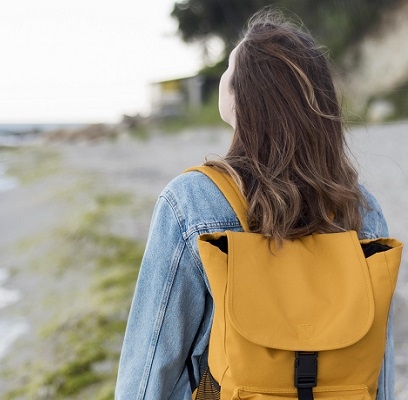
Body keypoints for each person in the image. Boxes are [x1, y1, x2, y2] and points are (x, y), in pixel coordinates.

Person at [115, 8, 394, 400]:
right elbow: (377, 365)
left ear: (241, 99)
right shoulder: (363, 208)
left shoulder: (193, 200)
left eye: (230, 69)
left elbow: (150, 365)